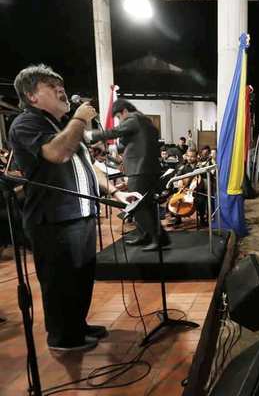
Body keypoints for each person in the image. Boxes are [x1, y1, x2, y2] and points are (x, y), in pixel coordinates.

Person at [9, 64, 139, 351]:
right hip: (52, 220)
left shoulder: (62, 126)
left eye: (61, 86)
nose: (61, 91)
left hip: (80, 215)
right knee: (59, 282)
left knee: (80, 276)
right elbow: (57, 152)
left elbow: (88, 165)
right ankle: (62, 338)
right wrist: (80, 118)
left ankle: (77, 325)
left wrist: (116, 192)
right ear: (32, 96)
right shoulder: (27, 123)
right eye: (50, 86)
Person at [89, 99, 167, 251]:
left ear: (124, 111)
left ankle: (157, 239)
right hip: (147, 168)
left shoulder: (133, 118)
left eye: (118, 117)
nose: (120, 120)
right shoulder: (145, 122)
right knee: (145, 205)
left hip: (140, 168)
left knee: (138, 205)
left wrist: (90, 134)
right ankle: (148, 235)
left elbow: (114, 132)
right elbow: (126, 141)